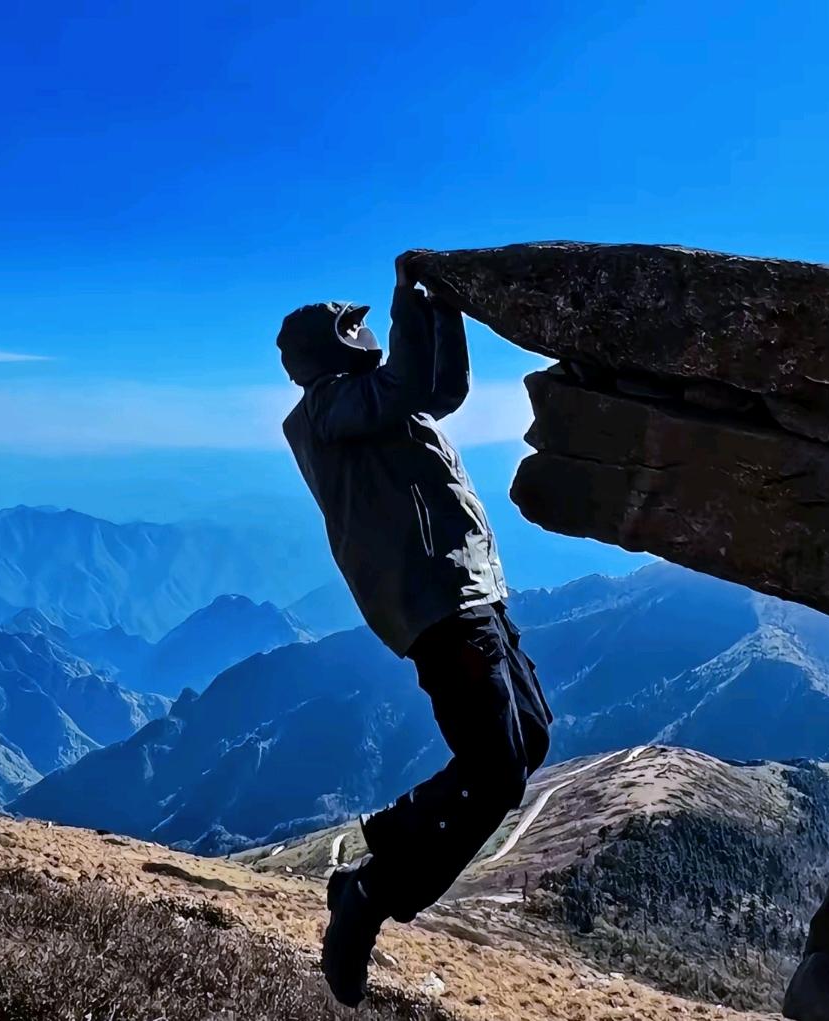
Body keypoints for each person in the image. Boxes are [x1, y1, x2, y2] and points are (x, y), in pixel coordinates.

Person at [276, 251, 552, 1007]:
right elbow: (404, 383)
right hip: (440, 607)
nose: (367, 336)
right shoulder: (331, 410)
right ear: (331, 347)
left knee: (529, 737)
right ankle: (366, 895)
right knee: (495, 769)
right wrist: (407, 302)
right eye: (355, 327)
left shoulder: (372, 404)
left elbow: (442, 389)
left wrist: (444, 307)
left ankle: (390, 839)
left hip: (473, 595)